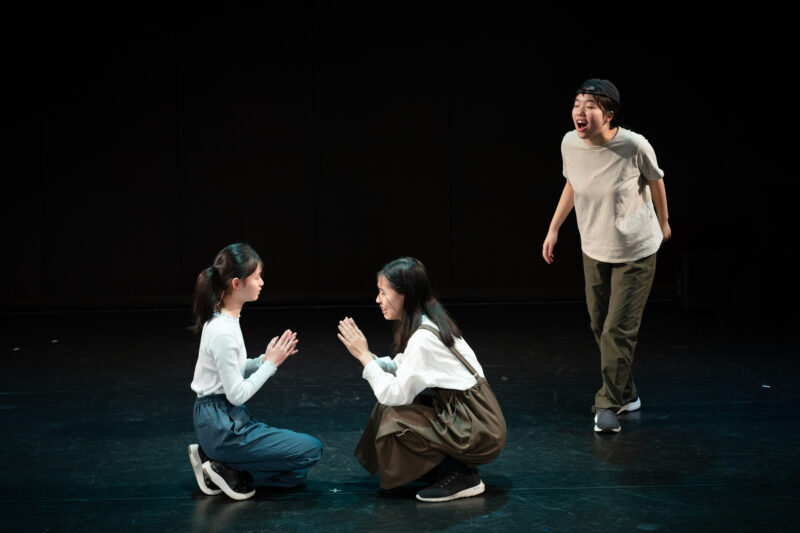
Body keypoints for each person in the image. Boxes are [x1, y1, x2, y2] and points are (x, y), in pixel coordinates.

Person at [542, 78, 672, 434]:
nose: (580, 112)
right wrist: (554, 228)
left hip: (635, 251)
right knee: (600, 325)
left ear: (609, 114)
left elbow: (656, 179)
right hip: (594, 247)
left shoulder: (634, 145)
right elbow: (573, 183)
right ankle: (627, 393)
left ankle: (608, 404)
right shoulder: (570, 143)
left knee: (618, 329)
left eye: (590, 106)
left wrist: (663, 222)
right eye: (577, 105)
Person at [337, 257, 507, 502]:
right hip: (468, 415)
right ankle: (444, 469)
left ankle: (461, 476)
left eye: (383, 292)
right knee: (390, 411)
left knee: (394, 418)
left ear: (405, 294)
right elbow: (401, 365)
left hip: (477, 426)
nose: (378, 300)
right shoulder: (427, 322)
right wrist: (367, 355)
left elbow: (394, 394)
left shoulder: (423, 338)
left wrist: (364, 357)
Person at [186, 242, 323, 500]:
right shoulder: (222, 331)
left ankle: (219, 464)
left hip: (223, 418)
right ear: (237, 284)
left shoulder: (225, 319)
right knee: (311, 450)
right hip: (222, 426)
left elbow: (231, 368)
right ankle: (223, 467)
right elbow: (237, 394)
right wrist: (271, 365)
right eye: (257, 277)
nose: (262, 283)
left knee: (296, 473)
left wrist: (262, 360)